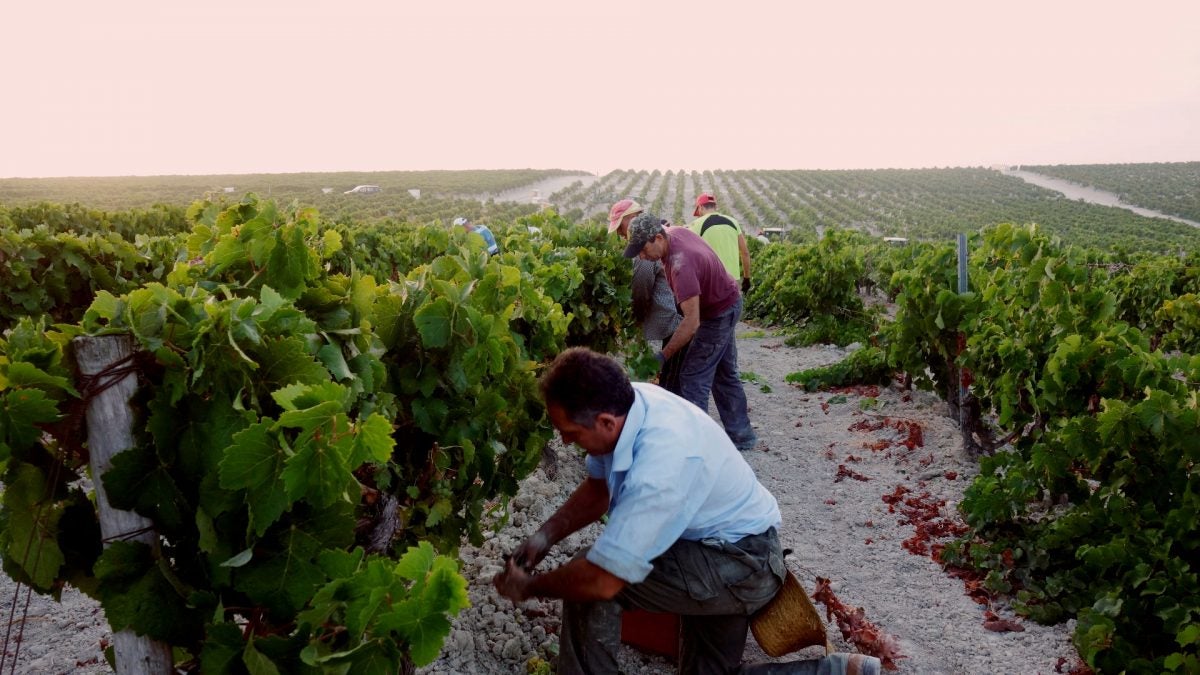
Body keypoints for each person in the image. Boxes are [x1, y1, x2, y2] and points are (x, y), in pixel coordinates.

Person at [493, 348, 881, 675]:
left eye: (570, 434)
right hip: (725, 548)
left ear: (605, 422)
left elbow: (601, 582)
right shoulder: (631, 403)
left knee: (585, 579)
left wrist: (530, 587)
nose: (564, 441)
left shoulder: (662, 466)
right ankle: (834, 672)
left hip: (739, 565)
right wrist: (543, 536)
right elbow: (598, 491)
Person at [622, 212, 757, 451]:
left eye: (642, 249)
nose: (642, 256)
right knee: (725, 373)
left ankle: (697, 445)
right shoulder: (674, 234)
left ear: (657, 238)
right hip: (727, 300)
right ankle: (742, 436)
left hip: (719, 312)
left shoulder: (680, 265)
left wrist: (663, 356)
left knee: (693, 377)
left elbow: (692, 322)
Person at [608, 199, 685, 394]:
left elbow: (641, 286)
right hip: (685, 314)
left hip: (678, 320)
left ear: (632, 218)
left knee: (674, 382)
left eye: (619, 227)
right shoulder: (661, 232)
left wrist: (637, 316)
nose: (619, 233)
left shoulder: (645, 244)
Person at [689, 193, 753, 294]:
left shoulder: (695, 225)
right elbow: (745, 253)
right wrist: (746, 278)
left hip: (710, 283)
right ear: (715, 206)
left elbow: (690, 256)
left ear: (700, 207)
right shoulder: (733, 222)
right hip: (733, 281)